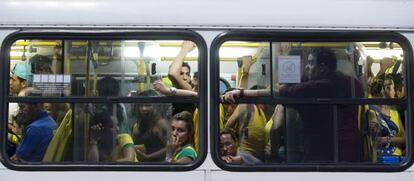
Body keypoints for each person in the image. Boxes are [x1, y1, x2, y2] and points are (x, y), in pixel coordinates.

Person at [222, 47, 364, 162]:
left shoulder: (315, 87)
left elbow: (279, 93)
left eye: (310, 63)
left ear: (321, 68)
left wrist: (243, 93)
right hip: (351, 152)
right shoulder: (352, 83)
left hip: (323, 152)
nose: (307, 67)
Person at [10, 89, 57, 162]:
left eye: (22, 107)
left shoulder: (34, 129)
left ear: (35, 106)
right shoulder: (50, 121)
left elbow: (17, 158)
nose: (20, 111)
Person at [368, 74, 405, 162]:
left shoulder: (395, 110)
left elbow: (404, 139)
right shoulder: (371, 109)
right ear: (387, 90)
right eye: (393, 88)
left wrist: (386, 139)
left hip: (397, 157)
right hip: (378, 157)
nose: (395, 93)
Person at [132, 90, 170, 162]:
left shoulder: (161, 123)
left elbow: (170, 147)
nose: (144, 108)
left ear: (156, 106)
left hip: (158, 166)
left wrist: (148, 157)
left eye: (148, 105)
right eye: (141, 105)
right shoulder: (137, 125)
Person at [168, 41, 197, 114]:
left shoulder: (190, 90)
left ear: (190, 77)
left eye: (187, 74)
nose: (185, 77)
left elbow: (172, 74)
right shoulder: (169, 92)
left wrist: (185, 48)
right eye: (181, 73)